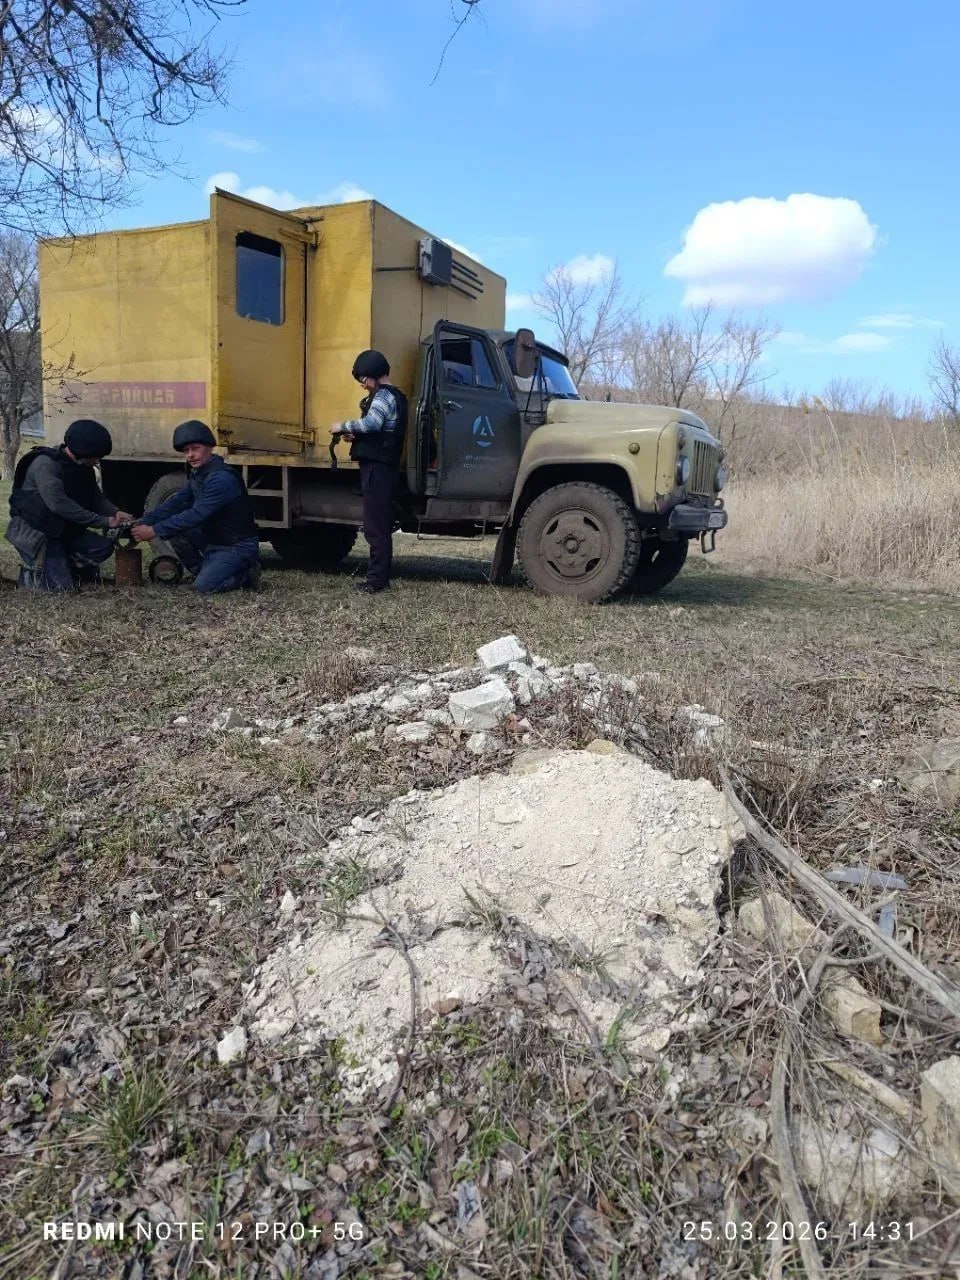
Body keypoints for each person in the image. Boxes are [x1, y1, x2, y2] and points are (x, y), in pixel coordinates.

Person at [132, 420, 261, 593]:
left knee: (202, 588)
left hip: (236, 546)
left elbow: (197, 514)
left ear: (209, 447)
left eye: (195, 448)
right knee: (177, 532)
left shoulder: (221, 478)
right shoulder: (199, 474)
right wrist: (143, 521)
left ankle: (245, 575)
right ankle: (204, 571)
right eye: (186, 451)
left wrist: (154, 530)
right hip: (214, 541)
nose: (190, 455)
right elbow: (176, 503)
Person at [6, 419, 134, 591]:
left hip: (62, 530)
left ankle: (63, 568)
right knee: (59, 588)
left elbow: (95, 498)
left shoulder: (83, 466)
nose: (97, 461)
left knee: (102, 547)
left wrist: (115, 512)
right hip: (38, 534)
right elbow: (58, 505)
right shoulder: (45, 465)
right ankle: (23, 575)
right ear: (83, 452)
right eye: (95, 457)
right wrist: (104, 521)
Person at [331, 349, 407, 594]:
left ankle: (376, 580)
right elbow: (381, 432)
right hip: (384, 468)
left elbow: (373, 423)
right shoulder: (395, 396)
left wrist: (342, 425)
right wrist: (356, 436)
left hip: (378, 469)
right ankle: (378, 577)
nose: (362, 385)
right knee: (379, 524)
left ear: (374, 374)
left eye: (363, 379)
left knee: (375, 526)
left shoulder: (383, 396)